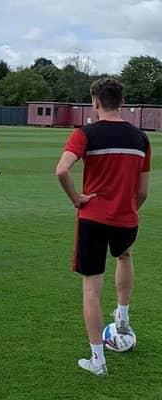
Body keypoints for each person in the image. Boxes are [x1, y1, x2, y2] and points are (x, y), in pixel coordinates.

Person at [55, 78, 150, 376]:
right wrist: (127, 208)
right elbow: (143, 192)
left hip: (92, 218)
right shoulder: (140, 138)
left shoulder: (84, 134)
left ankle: (98, 361)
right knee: (125, 257)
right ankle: (122, 316)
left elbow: (61, 170)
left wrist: (76, 199)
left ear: (95, 101)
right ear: (122, 102)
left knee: (91, 288)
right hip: (127, 217)